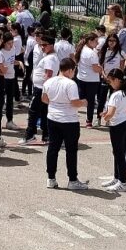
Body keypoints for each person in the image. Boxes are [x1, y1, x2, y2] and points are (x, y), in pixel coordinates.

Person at [43, 58, 88, 190]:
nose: (74, 73)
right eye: (73, 70)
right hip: (69, 120)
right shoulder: (70, 84)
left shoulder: (49, 81)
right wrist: (83, 102)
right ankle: (72, 180)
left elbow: (44, 99)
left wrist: (56, 102)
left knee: (53, 149)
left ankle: (51, 178)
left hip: (52, 118)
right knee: (71, 150)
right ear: (69, 70)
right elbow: (74, 102)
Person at [100, 68, 126, 192]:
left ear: (117, 80)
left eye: (111, 81)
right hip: (124, 122)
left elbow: (111, 114)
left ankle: (122, 182)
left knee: (118, 154)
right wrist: (108, 113)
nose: (110, 83)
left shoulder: (116, 95)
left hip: (117, 125)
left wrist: (105, 117)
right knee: (118, 152)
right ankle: (117, 177)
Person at [75, 34, 103, 128]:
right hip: (91, 80)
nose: (97, 43)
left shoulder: (80, 49)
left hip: (81, 78)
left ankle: (73, 116)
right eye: (96, 41)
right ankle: (89, 121)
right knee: (90, 101)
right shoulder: (92, 53)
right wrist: (101, 68)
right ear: (90, 41)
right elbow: (95, 68)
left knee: (81, 98)